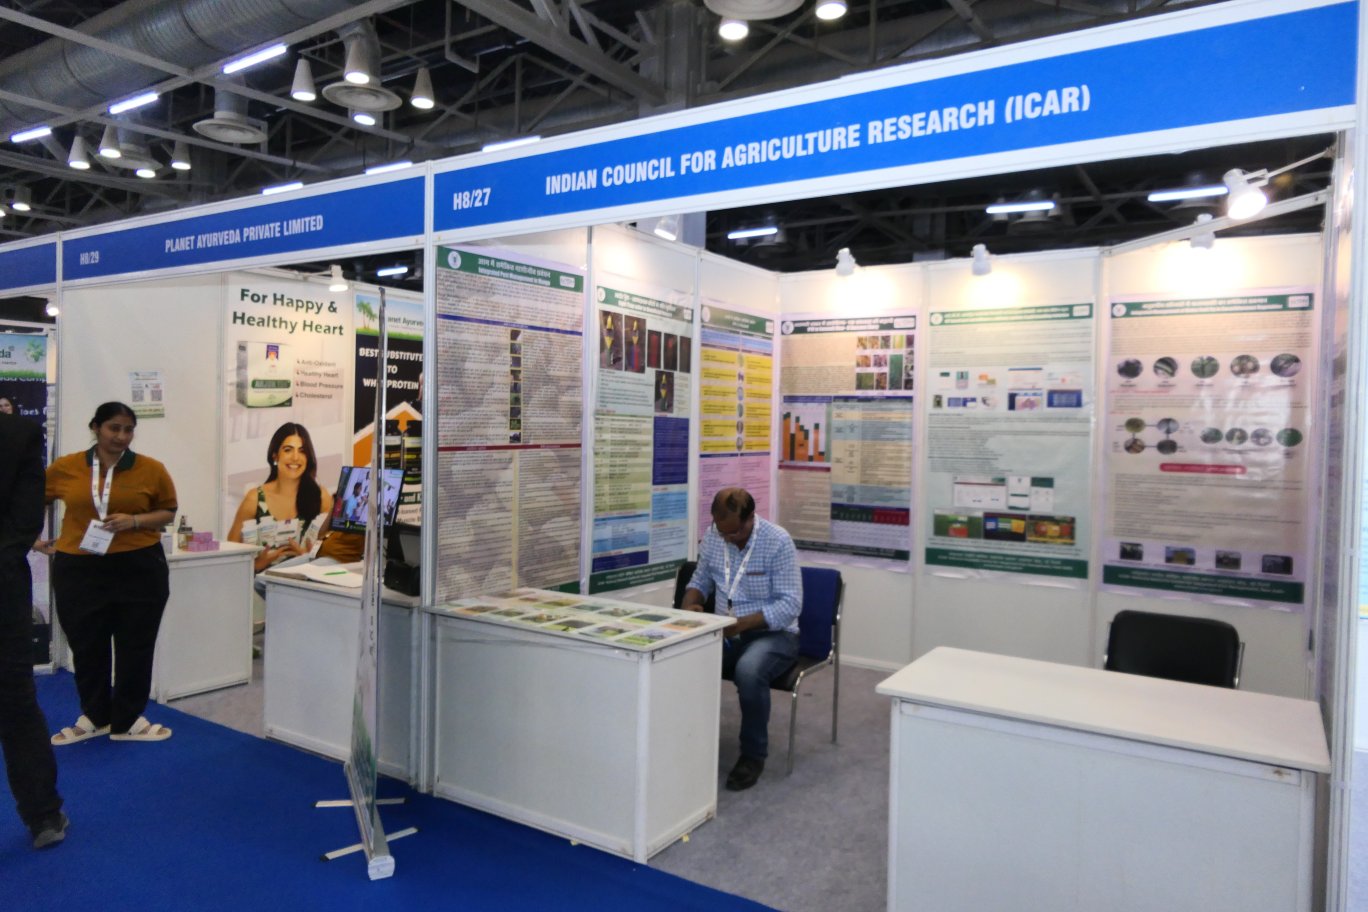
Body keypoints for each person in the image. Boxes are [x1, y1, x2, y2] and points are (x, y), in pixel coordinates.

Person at [37, 402, 177, 744]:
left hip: (139, 565)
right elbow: (31, 499)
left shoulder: (151, 469)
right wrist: (32, 539)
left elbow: (168, 512)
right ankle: (95, 716)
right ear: (96, 428)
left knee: (135, 645)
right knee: (86, 645)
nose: (121, 436)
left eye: (128, 429)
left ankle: (128, 720)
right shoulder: (67, 467)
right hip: (80, 567)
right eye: (114, 428)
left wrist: (135, 521)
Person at [682, 487, 801, 791]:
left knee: (749, 671)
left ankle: (752, 755)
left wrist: (742, 625)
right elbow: (701, 578)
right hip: (725, 631)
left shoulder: (777, 541)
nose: (728, 539)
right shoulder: (715, 536)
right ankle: (688, 742)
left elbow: (790, 604)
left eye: (734, 532)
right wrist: (691, 603)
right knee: (681, 659)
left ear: (750, 519)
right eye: (722, 532)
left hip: (773, 634)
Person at [0, 410, 67, 847]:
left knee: (15, 702)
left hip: (2, 590)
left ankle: (43, 813)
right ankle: (43, 814)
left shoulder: (17, 433)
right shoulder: (18, 432)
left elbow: (24, 523)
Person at [227, 422, 333, 573]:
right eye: (288, 450)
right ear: (275, 456)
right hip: (260, 585)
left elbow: (333, 554)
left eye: (302, 451)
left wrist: (307, 558)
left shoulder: (320, 496)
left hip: (305, 583)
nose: (295, 457)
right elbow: (230, 556)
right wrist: (256, 565)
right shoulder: (255, 498)